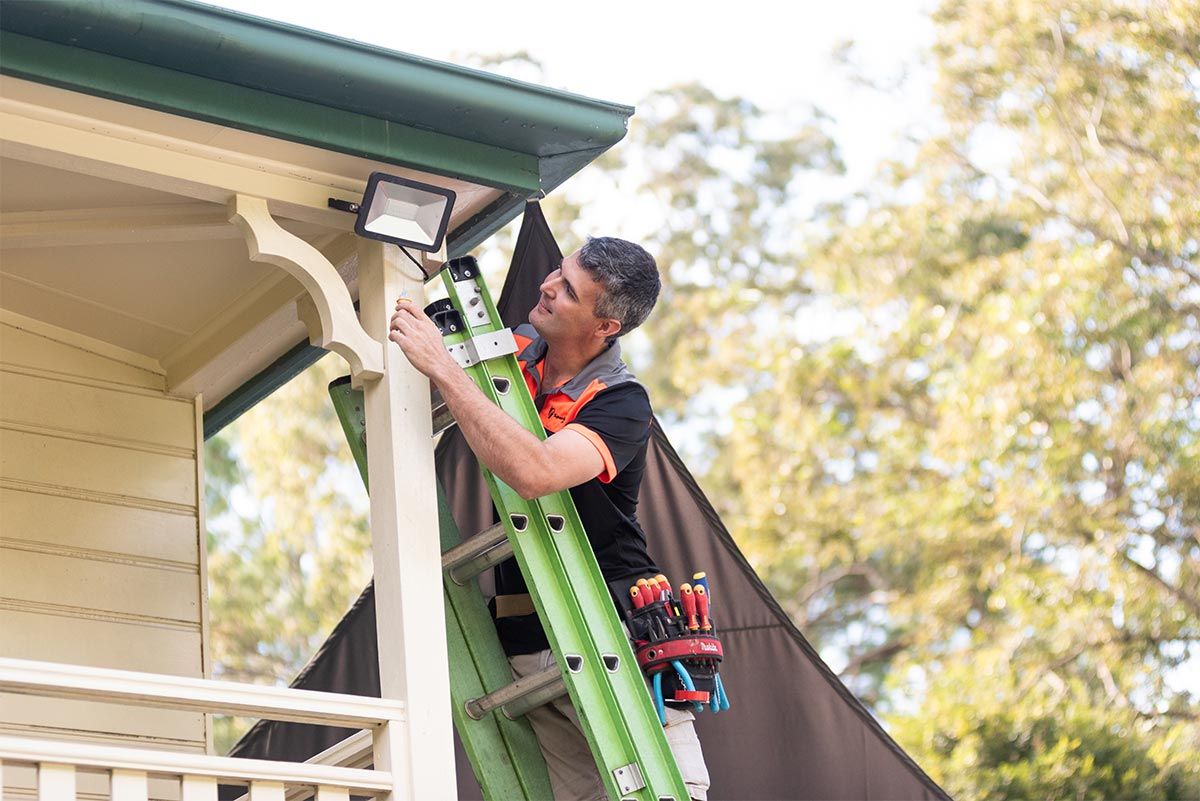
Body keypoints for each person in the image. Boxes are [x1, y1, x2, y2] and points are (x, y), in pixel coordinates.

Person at [388, 237, 709, 801]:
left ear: (605, 326)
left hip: (611, 630)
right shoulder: (510, 355)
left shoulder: (619, 401)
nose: (548, 287)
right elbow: (427, 334)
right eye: (558, 273)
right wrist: (415, 271)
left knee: (667, 792)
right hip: (524, 637)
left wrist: (443, 367)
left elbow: (536, 473)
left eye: (569, 290)